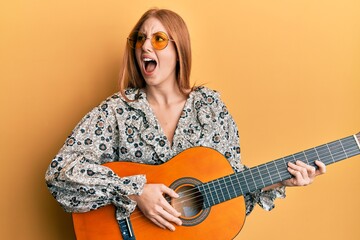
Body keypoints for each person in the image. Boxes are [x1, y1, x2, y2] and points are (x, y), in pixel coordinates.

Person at [45, 8, 326, 233]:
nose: (145, 46)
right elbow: (60, 174)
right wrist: (136, 192)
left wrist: (277, 182)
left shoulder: (210, 108)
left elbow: (231, 193)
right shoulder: (116, 111)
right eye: (140, 39)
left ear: (180, 50)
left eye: (158, 39)